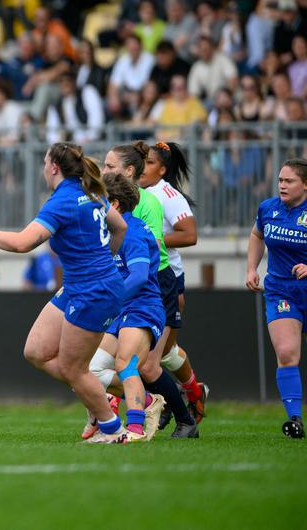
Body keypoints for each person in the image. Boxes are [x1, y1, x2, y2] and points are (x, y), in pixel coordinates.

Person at [0, 143, 130, 443]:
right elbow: (120, 228)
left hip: (93, 289)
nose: (42, 168)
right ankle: (98, 400)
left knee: (73, 369)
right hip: (82, 284)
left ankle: (113, 428)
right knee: (36, 351)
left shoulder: (63, 200)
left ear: (53, 167)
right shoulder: (90, 191)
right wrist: (103, 259)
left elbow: (23, 243)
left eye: (44, 162)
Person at [93, 142, 198, 438]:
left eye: (110, 166)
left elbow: (147, 259)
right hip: (130, 291)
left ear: (128, 170)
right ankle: (144, 405)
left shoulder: (147, 207)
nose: (104, 171)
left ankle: (168, 419)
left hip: (153, 287)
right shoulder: (116, 220)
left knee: (143, 366)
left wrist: (114, 294)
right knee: (99, 368)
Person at [84, 173, 167, 441]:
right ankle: (147, 402)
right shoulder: (109, 231)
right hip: (122, 309)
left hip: (142, 307)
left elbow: (140, 276)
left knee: (125, 364)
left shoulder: (131, 232)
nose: (93, 203)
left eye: (99, 199)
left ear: (115, 204)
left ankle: (134, 429)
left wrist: (111, 299)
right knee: (90, 370)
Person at [140, 141, 208, 425]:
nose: (143, 167)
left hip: (168, 278)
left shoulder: (167, 194)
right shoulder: (137, 192)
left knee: (160, 351)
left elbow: (189, 234)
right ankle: (178, 396)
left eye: (150, 163)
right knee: (155, 351)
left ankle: (187, 395)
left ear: (163, 169)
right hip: (142, 274)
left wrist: (150, 241)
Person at [246, 159, 307, 438]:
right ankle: (295, 419)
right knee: (286, 353)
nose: (282, 185)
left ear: (304, 185)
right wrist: (251, 268)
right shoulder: (268, 208)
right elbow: (257, 235)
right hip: (281, 290)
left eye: (289, 181)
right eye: (280, 180)